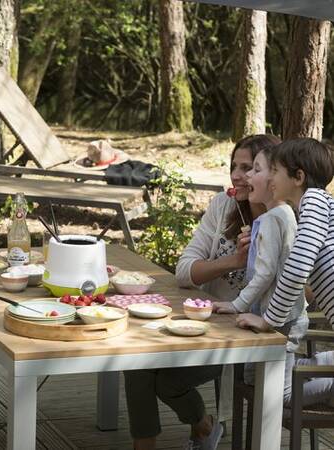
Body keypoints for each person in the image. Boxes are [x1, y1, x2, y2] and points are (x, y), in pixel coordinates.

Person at [124, 134, 280, 450]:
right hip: (203, 324)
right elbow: (184, 271)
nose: (237, 175)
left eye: (248, 167)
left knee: (166, 381)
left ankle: (203, 425)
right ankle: (148, 444)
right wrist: (232, 261)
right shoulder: (223, 205)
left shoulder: (281, 219)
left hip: (247, 335)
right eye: (234, 165)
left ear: (270, 173)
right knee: (135, 357)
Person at [212, 146, 308, 405]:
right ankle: (318, 365)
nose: (247, 177)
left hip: (282, 320)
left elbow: (265, 274)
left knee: (279, 394)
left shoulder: (271, 219)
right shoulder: (283, 214)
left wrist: (236, 305)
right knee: (257, 381)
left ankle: (328, 379)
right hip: (283, 316)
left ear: (273, 181)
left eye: (257, 170)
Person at [236, 138, 334, 332]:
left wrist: (267, 321)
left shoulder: (314, 200)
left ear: (298, 177)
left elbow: (298, 269)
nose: (270, 178)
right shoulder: (314, 205)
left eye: (275, 171)